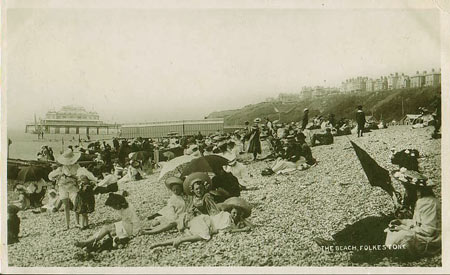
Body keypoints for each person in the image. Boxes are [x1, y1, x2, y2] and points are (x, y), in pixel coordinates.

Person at [149, 197, 253, 249]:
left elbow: (251, 226)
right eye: (234, 212)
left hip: (203, 223)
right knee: (203, 236)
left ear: (240, 215)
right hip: (203, 221)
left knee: (196, 236)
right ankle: (180, 240)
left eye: (237, 214)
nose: (235, 215)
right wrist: (241, 230)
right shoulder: (226, 216)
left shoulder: (233, 220)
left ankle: (158, 244)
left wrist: (242, 218)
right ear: (231, 211)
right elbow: (225, 231)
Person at [384, 169, 441, 259]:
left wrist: (404, 228)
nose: (406, 192)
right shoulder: (422, 201)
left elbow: (428, 231)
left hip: (431, 240)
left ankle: (391, 253)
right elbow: (417, 222)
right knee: (392, 230)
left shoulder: (429, 203)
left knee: (403, 236)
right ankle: (390, 251)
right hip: (422, 234)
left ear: (417, 190)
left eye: (408, 188)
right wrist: (402, 221)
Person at [48, 149, 96, 230]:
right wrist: (59, 174)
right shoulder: (61, 168)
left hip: (73, 187)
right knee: (66, 205)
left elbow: (81, 176)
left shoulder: (77, 167)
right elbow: (50, 176)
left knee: (76, 204)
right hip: (62, 187)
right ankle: (67, 225)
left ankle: (77, 222)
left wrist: (73, 177)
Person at [75, 192, 141, 248]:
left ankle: (86, 242)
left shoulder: (128, 209)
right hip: (126, 224)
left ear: (117, 204)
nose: (113, 208)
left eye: (113, 206)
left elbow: (136, 221)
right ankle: (88, 242)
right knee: (107, 227)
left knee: (107, 228)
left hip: (129, 228)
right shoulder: (123, 207)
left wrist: (134, 234)